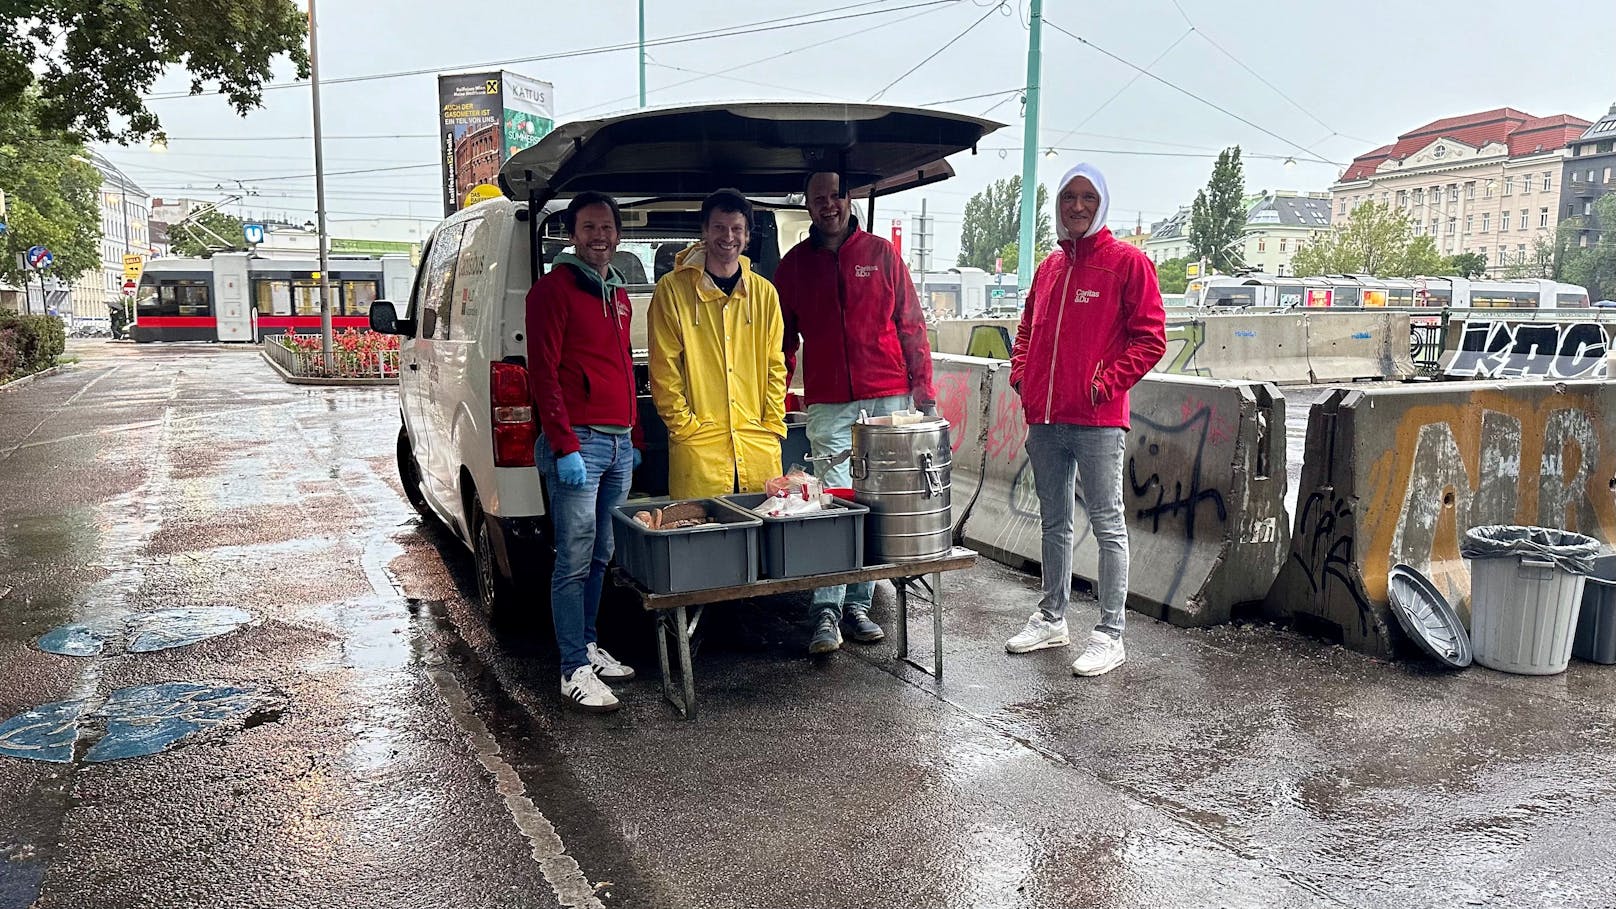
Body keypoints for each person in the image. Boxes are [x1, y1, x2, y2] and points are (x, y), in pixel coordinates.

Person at [1003, 163, 1166, 677]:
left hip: (1097, 421)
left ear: (1102, 204)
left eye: (1087, 197)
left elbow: (1151, 339)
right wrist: (1023, 377)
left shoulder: (1127, 264)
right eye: (1068, 197)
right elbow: (1026, 330)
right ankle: (1053, 618)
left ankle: (1110, 632)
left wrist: (1103, 384)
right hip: (1046, 420)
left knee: (1107, 523)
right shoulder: (1049, 269)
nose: (1077, 206)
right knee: (1054, 521)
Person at [774, 171, 936, 655]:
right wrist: (774, 400)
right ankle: (826, 608)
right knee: (829, 501)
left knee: (874, 505)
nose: (829, 205)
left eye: (836, 196)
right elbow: (782, 343)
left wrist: (923, 390)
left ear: (850, 199)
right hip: (828, 402)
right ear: (807, 206)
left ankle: (858, 603)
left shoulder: (882, 254)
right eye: (818, 198)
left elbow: (911, 325)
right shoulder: (794, 267)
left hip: (888, 398)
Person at [526, 191, 642, 713]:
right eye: (589, 228)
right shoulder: (552, 291)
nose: (600, 237)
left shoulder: (616, 294)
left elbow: (622, 367)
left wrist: (633, 437)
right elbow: (543, 375)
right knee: (572, 558)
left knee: (602, 554)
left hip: (616, 443)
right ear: (573, 234)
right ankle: (572, 667)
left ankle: (589, 646)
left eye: (608, 228)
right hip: (580, 444)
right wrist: (564, 444)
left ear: (618, 235)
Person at [648, 189, 787, 499]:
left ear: (748, 236)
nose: (728, 236)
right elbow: (663, 369)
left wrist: (772, 424)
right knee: (702, 537)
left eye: (737, 228)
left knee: (760, 537)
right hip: (700, 447)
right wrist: (685, 429)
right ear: (704, 231)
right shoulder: (672, 291)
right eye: (719, 227)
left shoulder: (764, 294)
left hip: (757, 444)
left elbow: (776, 367)